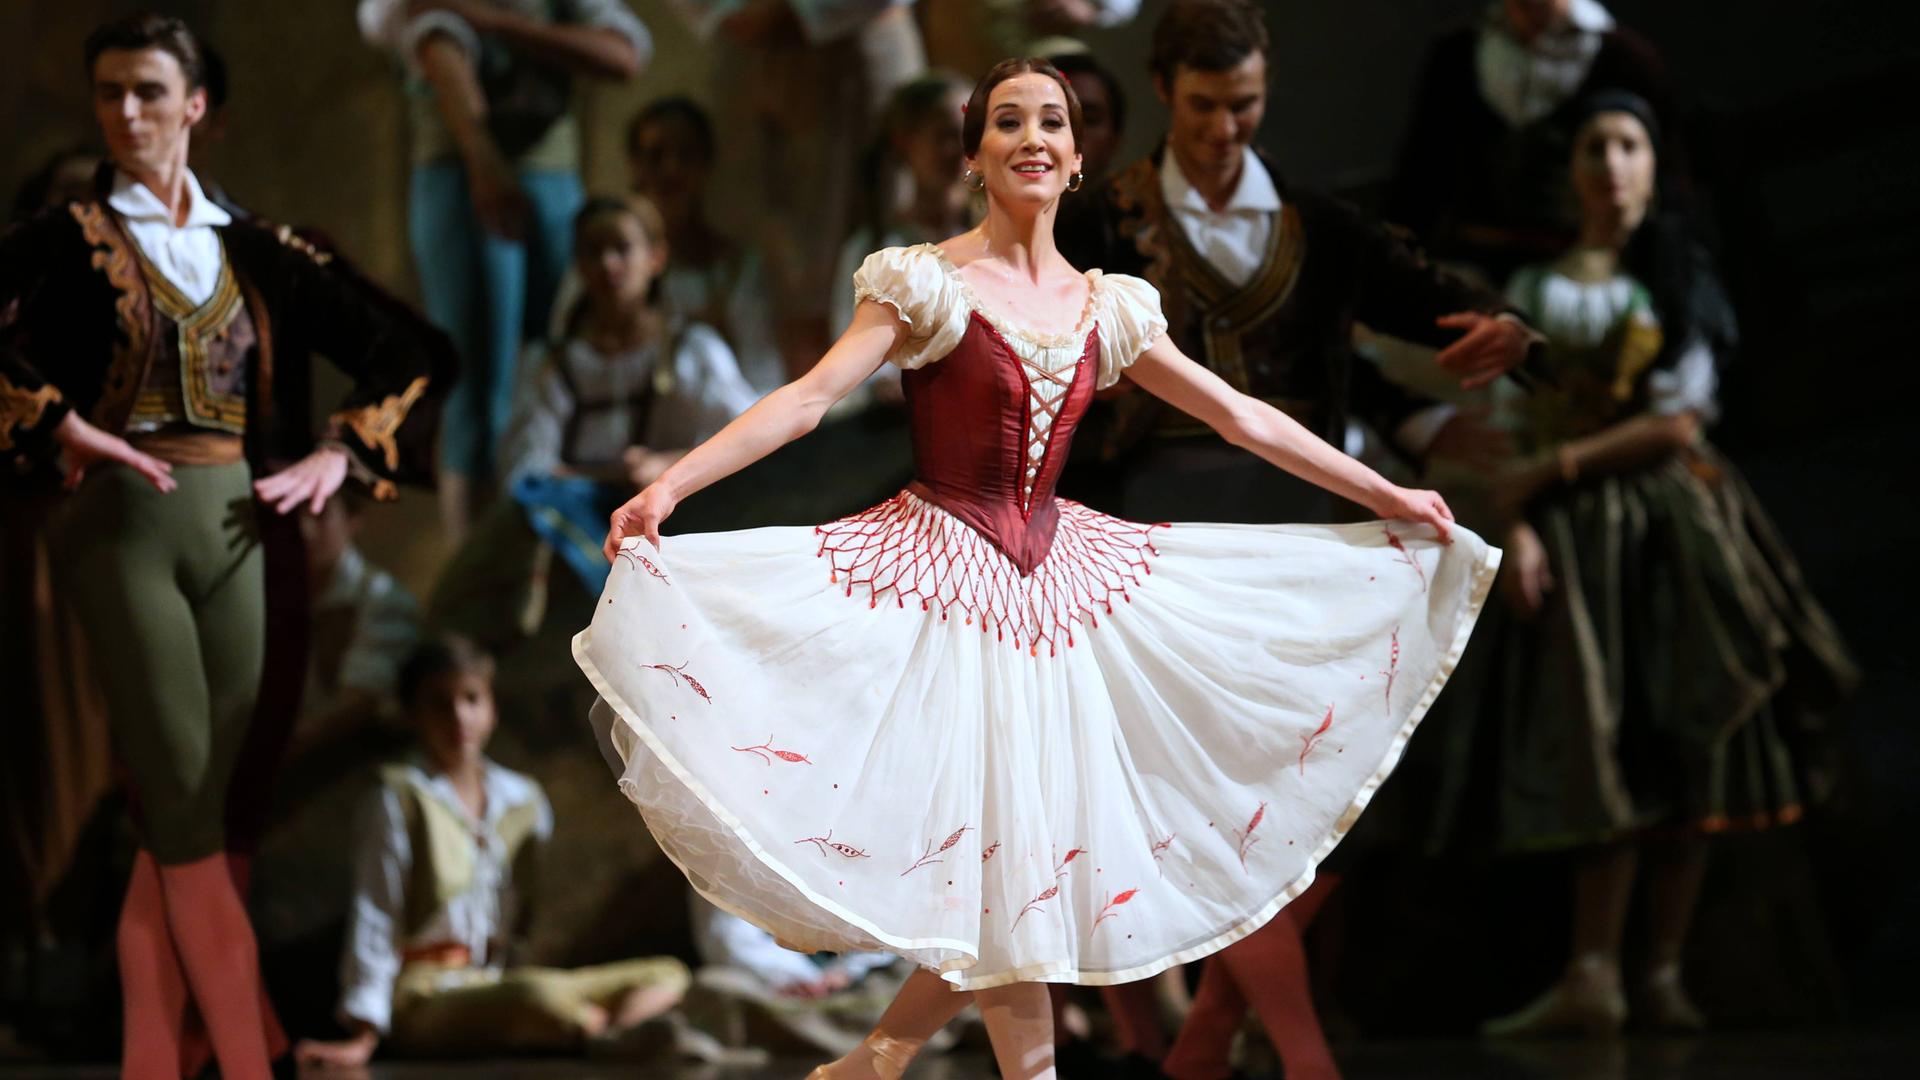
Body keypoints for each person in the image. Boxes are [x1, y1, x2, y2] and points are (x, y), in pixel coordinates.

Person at [576, 58, 1509, 1079]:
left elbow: (1240, 416)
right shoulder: (925, 281)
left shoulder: (1109, 307)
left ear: (1074, 160)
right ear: (976, 156)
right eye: (1007, 121)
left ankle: (878, 1064)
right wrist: (674, 486)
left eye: (1052, 122)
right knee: (1006, 868)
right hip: (944, 584)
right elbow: (807, 398)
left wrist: (1388, 493)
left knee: (1025, 868)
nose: (1033, 136)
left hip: (1056, 592)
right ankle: (885, 1063)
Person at [0, 14, 451, 1078]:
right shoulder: (63, 241)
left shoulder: (261, 245)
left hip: (240, 531)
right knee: (186, 804)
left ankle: (156, 1058)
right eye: (108, 91)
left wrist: (345, 452)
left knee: (187, 823)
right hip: (124, 525)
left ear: (195, 106)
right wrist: (57, 421)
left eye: (150, 91)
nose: (127, 112)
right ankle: (249, 1057)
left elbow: (412, 351)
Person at [1454, 92, 1856, 1037]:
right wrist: (1521, 517)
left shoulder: (1680, 271)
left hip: (1674, 522)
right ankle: (1593, 967)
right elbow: (1513, 423)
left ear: (1651, 163)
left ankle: (1662, 968)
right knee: (1602, 730)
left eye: (1629, 144)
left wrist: (1551, 471)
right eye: (1595, 146)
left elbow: (1679, 416)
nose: (1612, 163)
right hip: (1577, 537)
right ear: (1573, 171)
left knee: (1685, 722)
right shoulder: (1538, 287)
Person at [1056, 0, 1534, 529]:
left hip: (1296, 496)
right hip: (1145, 500)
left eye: (1243, 105)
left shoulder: (1322, 226)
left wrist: (1505, 324)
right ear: (1164, 88)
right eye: (1203, 104)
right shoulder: (1094, 224)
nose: (1223, 128)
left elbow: (1419, 295)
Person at [293, 636, 692, 1066]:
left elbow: (523, 913)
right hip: (423, 997)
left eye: (471, 698)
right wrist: (365, 1035)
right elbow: (376, 914)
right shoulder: (398, 796)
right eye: (438, 704)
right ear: (412, 715)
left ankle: (609, 1036)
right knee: (535, 996)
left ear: (491, 708)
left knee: (667, 972)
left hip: (495, 982)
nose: (458, 716)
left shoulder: (522, 800)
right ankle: (617, 1033)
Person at [356, 0, 649, 537]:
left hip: (549, 173)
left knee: (547, 360)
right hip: (458, 169)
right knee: (476, 377)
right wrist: (480, 157)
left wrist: (498, 23)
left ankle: (542, 545)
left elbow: (624, 53)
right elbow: (423, 34)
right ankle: (475, 569)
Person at [431, 195, 757, 646]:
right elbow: (526, 475)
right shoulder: (550, 363)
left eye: (621, 248)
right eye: (592, 251)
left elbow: (749, 436)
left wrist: (668, 466)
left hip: (675, 526)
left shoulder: (691, 350)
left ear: (655, 257)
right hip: (575, 537)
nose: (608, 264)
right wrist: (611, 475)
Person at [1387, 0, 1688, 284]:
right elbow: (1417, 183)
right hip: (1470, 272)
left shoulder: (1627, 60)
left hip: (1584, 275)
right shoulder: (1456, 53)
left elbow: (1670, 195)